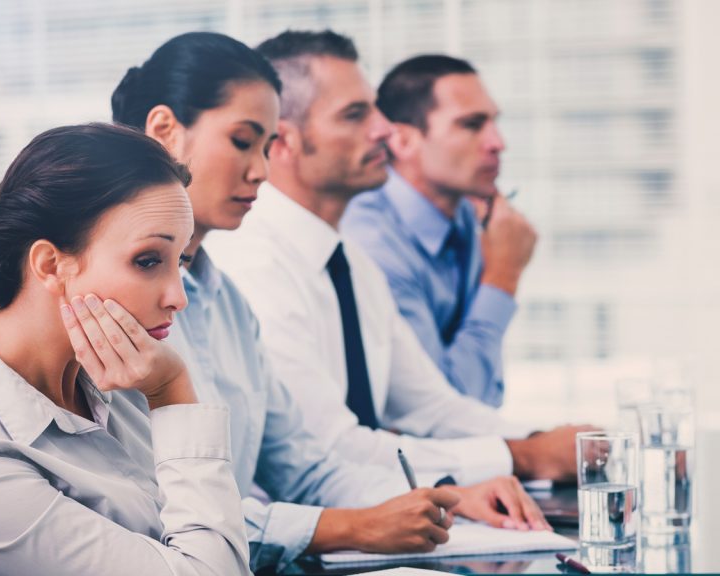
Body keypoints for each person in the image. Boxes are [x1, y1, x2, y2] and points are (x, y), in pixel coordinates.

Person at [111, 32, 549, 573]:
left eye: (265, 146)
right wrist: (352, 526)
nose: (261, 172)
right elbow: (148, 511)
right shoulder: (114, 305)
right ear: (165, 132)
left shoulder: (229, 303)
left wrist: (447, 493)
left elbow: (306, 466)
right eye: (243, 142)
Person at [209, 30, 594, 491]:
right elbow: (329, 449)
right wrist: (523, 457)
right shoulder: (254, 264)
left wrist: (550, 441)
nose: (385, 130)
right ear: (284, 142)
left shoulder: (348, 259)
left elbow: (431, 406)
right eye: (355, 115)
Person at [0, 123, 250, 575]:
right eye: (148, 261)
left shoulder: (117, 369)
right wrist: (172, 392)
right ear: (50, 264)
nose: (177, 297)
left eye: (179, 259)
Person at [341, 54, 535, 408]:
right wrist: (503, 276)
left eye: (493, 122)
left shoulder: (468, 216)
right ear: (402, 141)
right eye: (472, 125)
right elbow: (446, 408)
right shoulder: (372, 243)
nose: (497, 142)